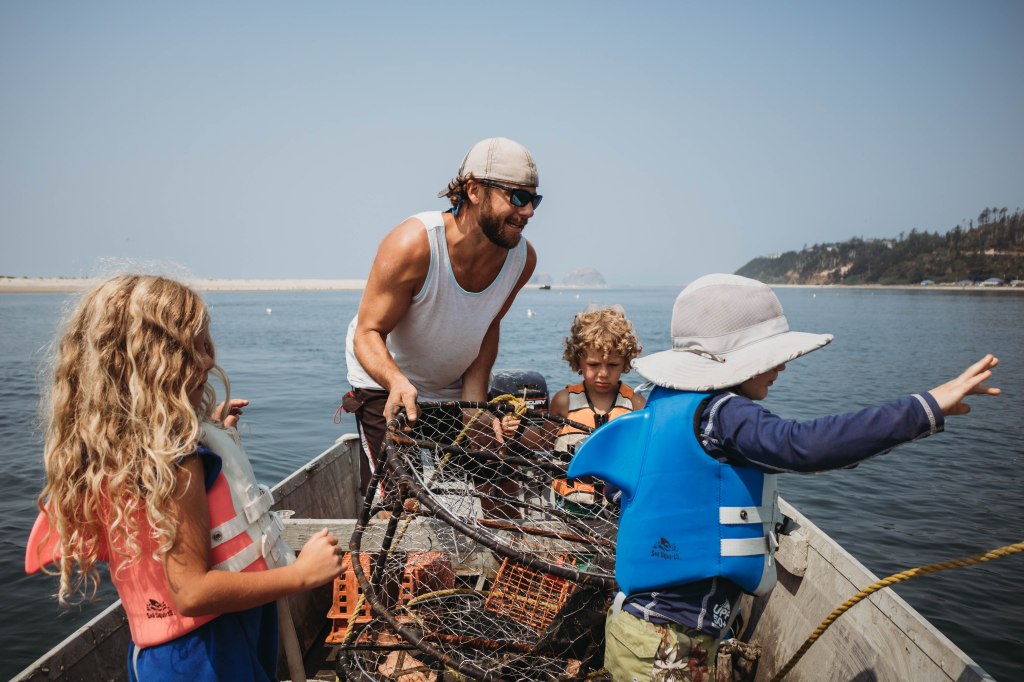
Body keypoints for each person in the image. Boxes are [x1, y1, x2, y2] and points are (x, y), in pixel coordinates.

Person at [567, 273, 1000, 681]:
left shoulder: (665, 401)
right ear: (738, 360)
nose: (782, 368)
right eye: (773, 357)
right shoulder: (723, 414)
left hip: (640, 630)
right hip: (666, 645)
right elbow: (805, 446)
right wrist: (924, 409)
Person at [27, 275, 346, 681]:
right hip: (206, 654)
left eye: (205, 345)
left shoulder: (120, 452)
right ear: (151, 363)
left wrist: (211, 432)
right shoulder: (178, 463)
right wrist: (300, 575)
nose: (209, 361)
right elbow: (191, 592)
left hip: (179, 650)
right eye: (191, 349)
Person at [343, 137, 539, 497]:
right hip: (387, 383)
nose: (528, 212)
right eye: (517, 197)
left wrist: (474, 404)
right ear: (474, 190)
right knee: (401, 499)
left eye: (533, 200)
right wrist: (397, 382)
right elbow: (367, 333)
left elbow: (488, 326)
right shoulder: (414, 244)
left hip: (453, 385)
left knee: (500, 483)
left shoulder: (521, 260)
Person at [548, 306, 646, 514]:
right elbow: (544, 442)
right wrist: (515, 428)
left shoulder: (636, 405)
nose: (603, 373)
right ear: (578, 361)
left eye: (612, 365)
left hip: (619, 509)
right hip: (570, 507)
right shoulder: (563, 401)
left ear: (625, 363)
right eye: (593, 364)